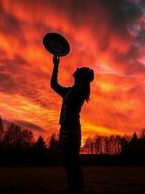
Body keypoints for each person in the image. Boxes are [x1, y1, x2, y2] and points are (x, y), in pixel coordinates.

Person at [50, 55, 94, 193]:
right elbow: (53, 85)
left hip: (72, 129)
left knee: (73, 160)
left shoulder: (80, 92)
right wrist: (56, 66)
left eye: (79, 69)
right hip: (64, 128)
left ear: (80, 77)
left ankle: (78, 188)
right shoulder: (68, 91)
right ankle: (72, 188)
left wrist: (87, 74)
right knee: (67, 160)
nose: (76, 68)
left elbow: (89, 76)